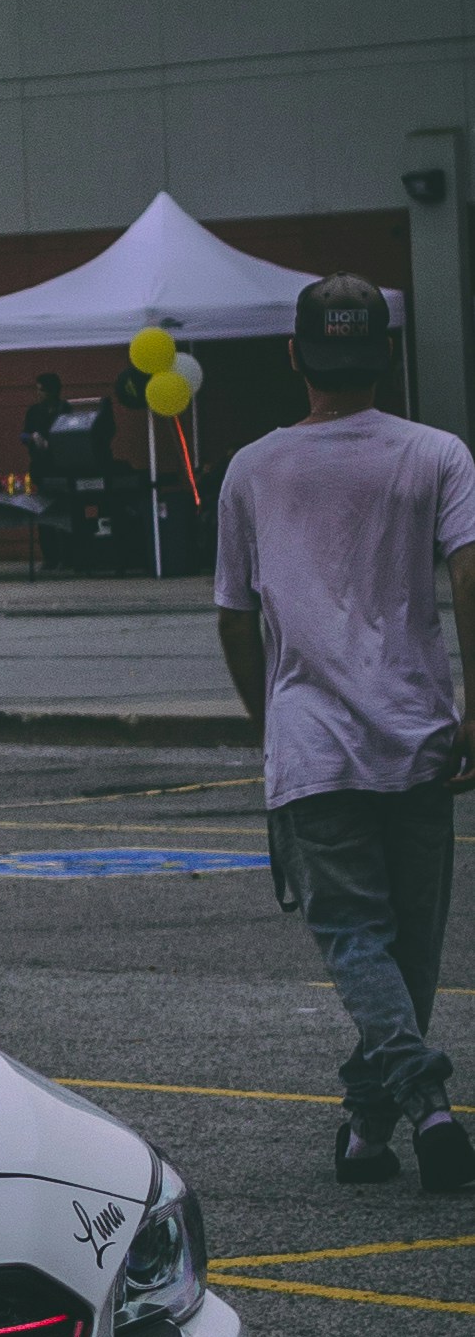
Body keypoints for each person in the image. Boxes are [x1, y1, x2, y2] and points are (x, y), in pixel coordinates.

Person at [213, 273, 475, 1189]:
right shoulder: (440, 455)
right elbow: (469, 579)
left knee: (360, 944)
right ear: (386, 357)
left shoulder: (251, 468)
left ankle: (392, 1120)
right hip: (416, 734)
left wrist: (266, 722)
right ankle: (412, 1110)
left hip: (314, 742)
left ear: (295, 355)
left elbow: (235, 617)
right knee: (410, 946)